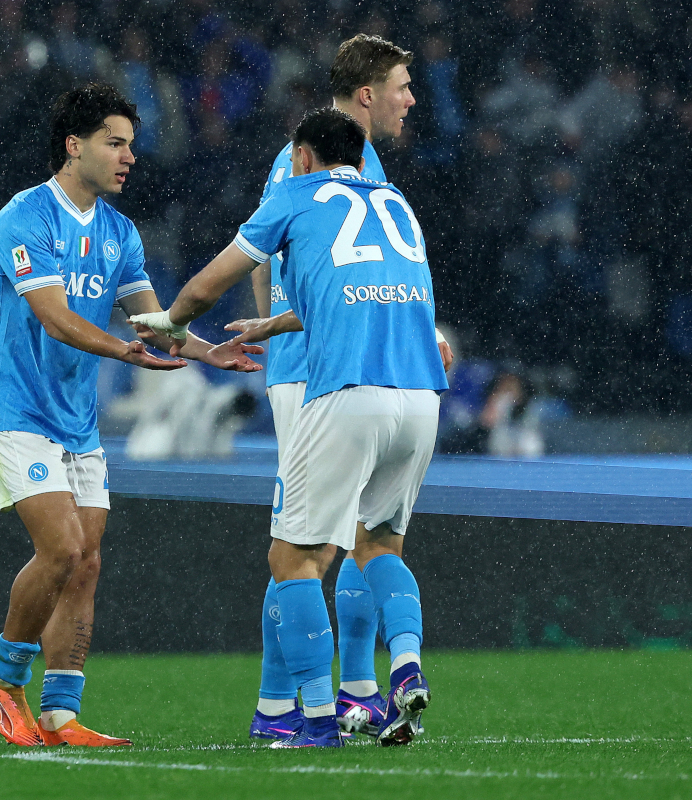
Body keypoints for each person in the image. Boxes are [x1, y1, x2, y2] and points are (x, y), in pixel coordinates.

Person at [132, 107, 448, 747]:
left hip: (350, 393)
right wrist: (272, 325)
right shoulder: (397, 203)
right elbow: (356, 294)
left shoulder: (295, 195)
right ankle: (407, 667)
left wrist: (172, 320)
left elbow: (209, 282)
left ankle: (314, 719)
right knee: (380, 545)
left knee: (293, 558)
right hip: (421, 398)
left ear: (302, 156)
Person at [0, 83, 263, 748]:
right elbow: (55, 315)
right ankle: (2, 680)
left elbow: (152, 324)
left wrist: (207, 349)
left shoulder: (119, 233)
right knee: (62, 547)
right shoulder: (24, 219)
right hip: (14, 407)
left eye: (131, 144)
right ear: (74, 147)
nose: (130, 156)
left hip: (75, 418)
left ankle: (60, 715)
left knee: (87, 562)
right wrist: (123, 348)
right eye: (116, 142)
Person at [244, 33, 452, 741]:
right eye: (402, 85)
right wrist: (276, 331)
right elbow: (263, 250)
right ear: (366, 95)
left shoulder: (367, 166)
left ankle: (348, 690)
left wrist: (421, 329)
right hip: (313, 370)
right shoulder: (300, 159)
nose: (411, 99)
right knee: (310, 544)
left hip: (364, 367)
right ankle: (289, 704)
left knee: (346, 538)